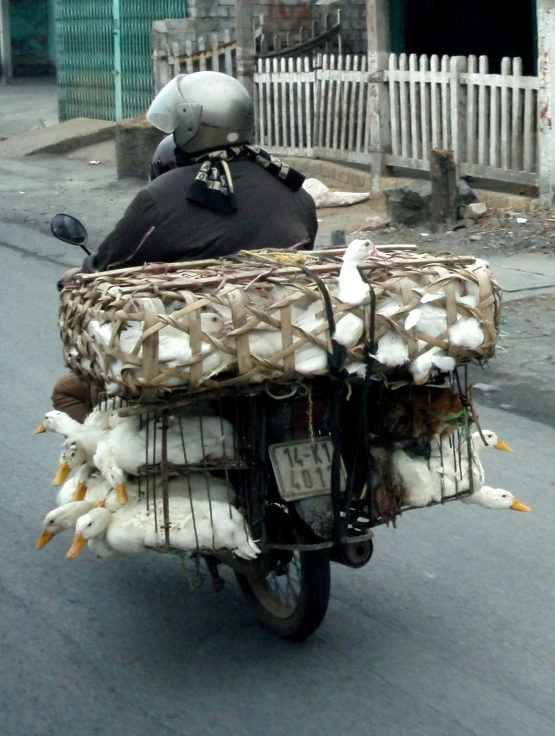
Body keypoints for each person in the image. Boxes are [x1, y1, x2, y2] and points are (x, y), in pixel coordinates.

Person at [54, 71, 318, 421]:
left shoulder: (161, 197)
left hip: (194, 356)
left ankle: (102, 464)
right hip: (286, 347)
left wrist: (77, 276)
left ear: (190, 123)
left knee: (67, 391)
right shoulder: (294, 190)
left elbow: (107, 266)